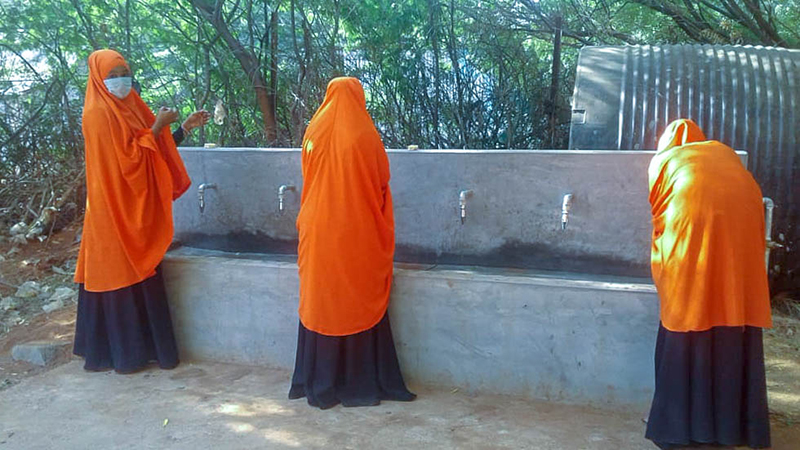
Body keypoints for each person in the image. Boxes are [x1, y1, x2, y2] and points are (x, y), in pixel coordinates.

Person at [288, 77, 416, 409]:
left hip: (316, 228)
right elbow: (380, 181)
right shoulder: (364, 134)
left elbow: (308, 176)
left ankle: (320, 379)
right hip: (354, 229)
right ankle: (358, 381)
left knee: (323, 297)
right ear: (358, 98)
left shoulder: (313, 131)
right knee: (354, 296)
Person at [645, 119, 772, 449]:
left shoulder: (664, 160)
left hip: (692, 247)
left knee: (686, 313)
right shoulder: (724, 154)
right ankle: (735, 429)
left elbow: (660, 216)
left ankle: (678, 431)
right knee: (730, 309)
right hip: (741, 250)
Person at [73, 49, 192, 374]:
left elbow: (148, 147)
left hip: (131, 206)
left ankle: (152, 350)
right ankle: (125, 355)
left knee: (142, 271)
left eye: (123, 72)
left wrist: (178, 129)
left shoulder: (130, 103)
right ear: (98, 78)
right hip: (112, 210)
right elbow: (127, 160)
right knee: (120, 271)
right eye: (111, 75)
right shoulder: (97, 113)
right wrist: (157, 126)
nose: (119, 80)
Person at [131, 78, 210, 145]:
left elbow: (164, 149)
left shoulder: (143, 116)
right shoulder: (120, 123)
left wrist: (187, 125)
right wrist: (159, 125)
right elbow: (138, 155)